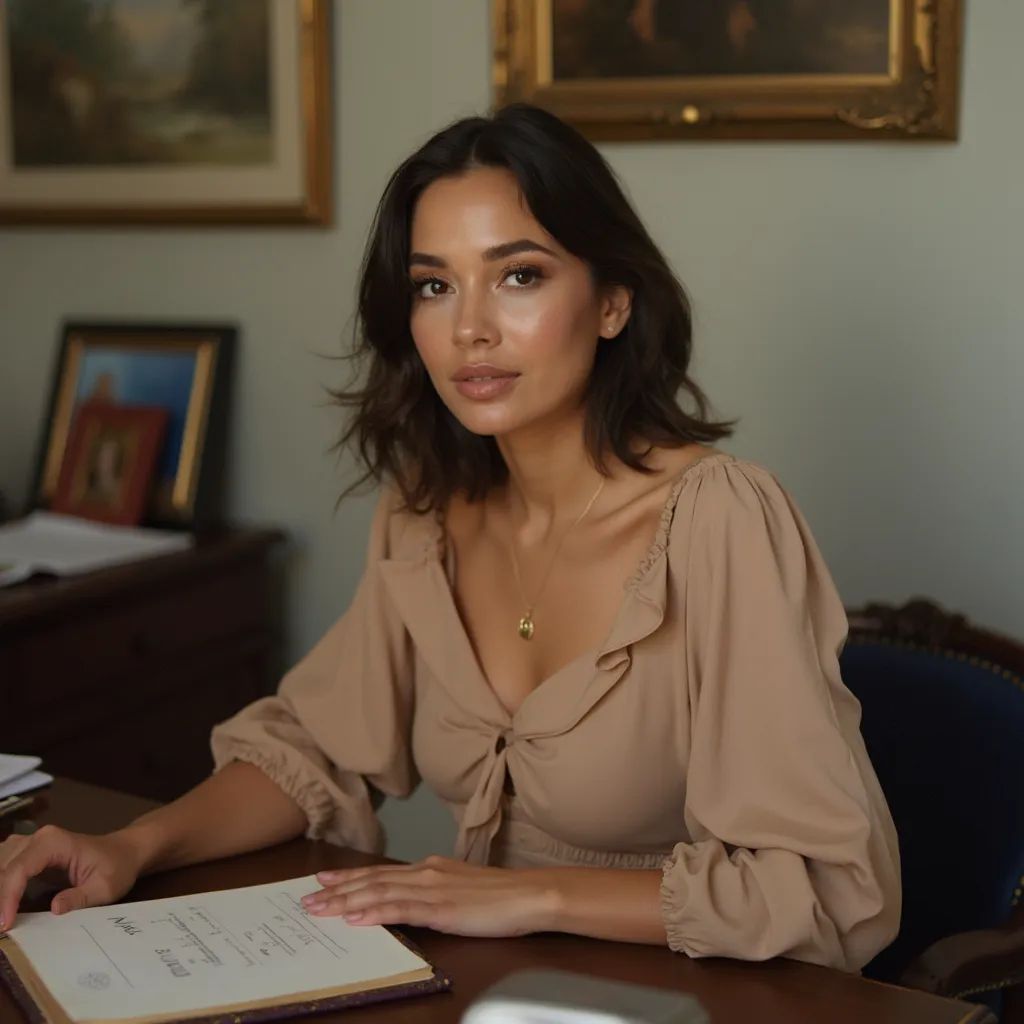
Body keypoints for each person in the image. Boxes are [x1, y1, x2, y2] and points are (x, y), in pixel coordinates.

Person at [0, 104, 900, 971]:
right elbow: (314, 749)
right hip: (484, 986)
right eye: (435, 285)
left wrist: (531, 896)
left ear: (614, 302)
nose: (469, 327)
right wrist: (131, 845)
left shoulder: (722, 522)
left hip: (689, 997)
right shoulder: (425, 513)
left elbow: (823, 886)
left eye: (519, 275)